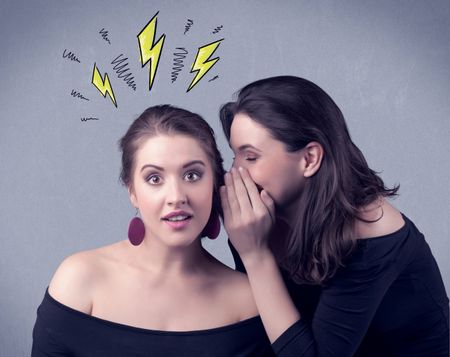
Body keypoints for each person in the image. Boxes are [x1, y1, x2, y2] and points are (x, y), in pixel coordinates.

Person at [219, 76, 449, 356]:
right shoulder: (260, 213)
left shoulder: (371, 232)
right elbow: (264, 324)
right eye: (235, 156)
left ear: (309, 159)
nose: (236, 173)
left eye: (251, 157)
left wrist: (255, 255)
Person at [32, 105, 274, 356]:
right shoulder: (80, 279)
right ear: (132, 191)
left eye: (192, 175)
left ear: (215, 183)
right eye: (154, 179)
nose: (176, 197)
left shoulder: (247, 301)